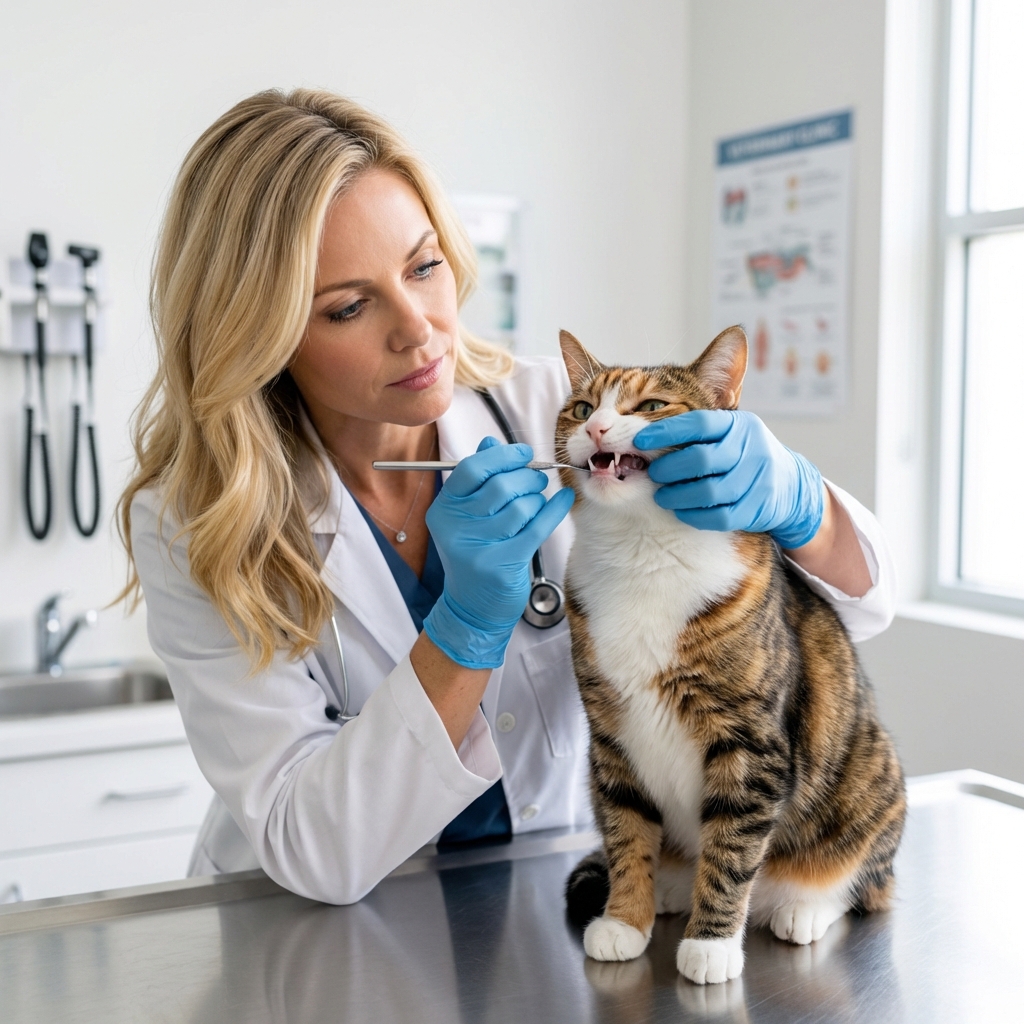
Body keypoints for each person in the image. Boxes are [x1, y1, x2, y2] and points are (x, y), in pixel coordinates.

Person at [120, 88, 895, 905]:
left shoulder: (557, 421)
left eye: (425, 267)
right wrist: (465, 629)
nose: (419, 330)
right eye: (348, 306)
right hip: (305, 934)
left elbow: (859, 614)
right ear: (259, 334)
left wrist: (793, 502)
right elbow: (313, 850)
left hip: (542, 893)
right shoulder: (195, 520)